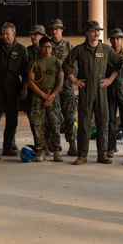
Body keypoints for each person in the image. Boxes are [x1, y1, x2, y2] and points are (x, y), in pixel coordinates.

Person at [64, 21, 122, 165]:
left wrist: (110, 79)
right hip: (86, 90)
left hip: (102, 90)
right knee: (84, 123)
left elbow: (119, 64)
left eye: (98, 30)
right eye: (93, 31)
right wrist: (74, 80)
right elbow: (66, 65)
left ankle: (102, 154)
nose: (96, 33)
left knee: (103, 122)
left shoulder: (106, 49)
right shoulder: (79, 50)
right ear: (87, 33)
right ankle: (82, 154)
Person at [0, 22, 28, 156]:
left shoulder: (21, 50)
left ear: (14, 34)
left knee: (12, 118)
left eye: (7, 34)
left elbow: (26, 72)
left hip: (13, 87)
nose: (5, 36)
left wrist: (25, 88)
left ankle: (8, 146)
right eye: (3, 34)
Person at [26, 37, 64, 161]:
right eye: (44, 47)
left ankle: (56, 151)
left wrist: (52, 96)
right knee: (37, 124)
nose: (47, 50)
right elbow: (30, 81)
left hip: (53, 96)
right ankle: (40, 150)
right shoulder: (35, 62)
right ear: (39, 48)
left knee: (55, 124)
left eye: (49, 47)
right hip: (38, 96)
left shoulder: (57, 62)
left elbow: (60, 81)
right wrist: (43, 95)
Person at [48, 19, 77, 158]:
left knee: (70, 117)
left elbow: (74, 66)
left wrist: (68, 80)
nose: (54, 31)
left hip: (67, 88)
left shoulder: (69, 46)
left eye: (57, 29)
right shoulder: (46, 46)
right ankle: (55, 149)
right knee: (54, 119)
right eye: (52, 29)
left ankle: (72, 145)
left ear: (61, 30)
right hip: (51, 89)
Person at [105, 28, 123, 158]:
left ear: (122, 39)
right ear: (110, 40)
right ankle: (111, 147)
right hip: (109, 91)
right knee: (110, 121)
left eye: (118, 38)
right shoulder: (106, 53)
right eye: (113, 38)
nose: (116, 41)